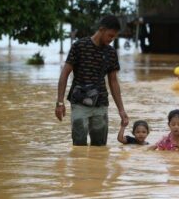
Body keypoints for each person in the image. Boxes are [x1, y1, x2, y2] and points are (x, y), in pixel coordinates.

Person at [55, 15, 129, 146]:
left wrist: (121, 110)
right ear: (101, 29)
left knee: (99, 148)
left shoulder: (111, 53)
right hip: (79, 103)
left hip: (100, 104)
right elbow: (65, 74)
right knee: (79, 144)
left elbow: (113, 82)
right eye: (110, 36)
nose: (111, 40)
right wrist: (60, 102)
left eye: (114, 37)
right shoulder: (79, 46)